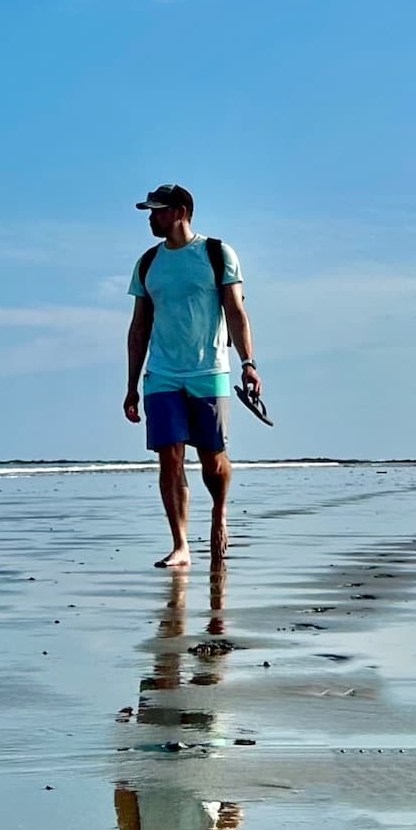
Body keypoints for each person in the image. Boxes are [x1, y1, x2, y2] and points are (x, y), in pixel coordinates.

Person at [123, 183, 261, 568]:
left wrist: (248, 363)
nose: (151, 218)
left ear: (181, 211)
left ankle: (219, 512)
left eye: (158, 210)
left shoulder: (217, 254)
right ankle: (181, 544)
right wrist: (131, 386)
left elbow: (235, 312)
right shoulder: (148, 263)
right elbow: (138, 328)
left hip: (209, 370)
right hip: (162, 374)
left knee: (212, 460)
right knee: (169, 458)